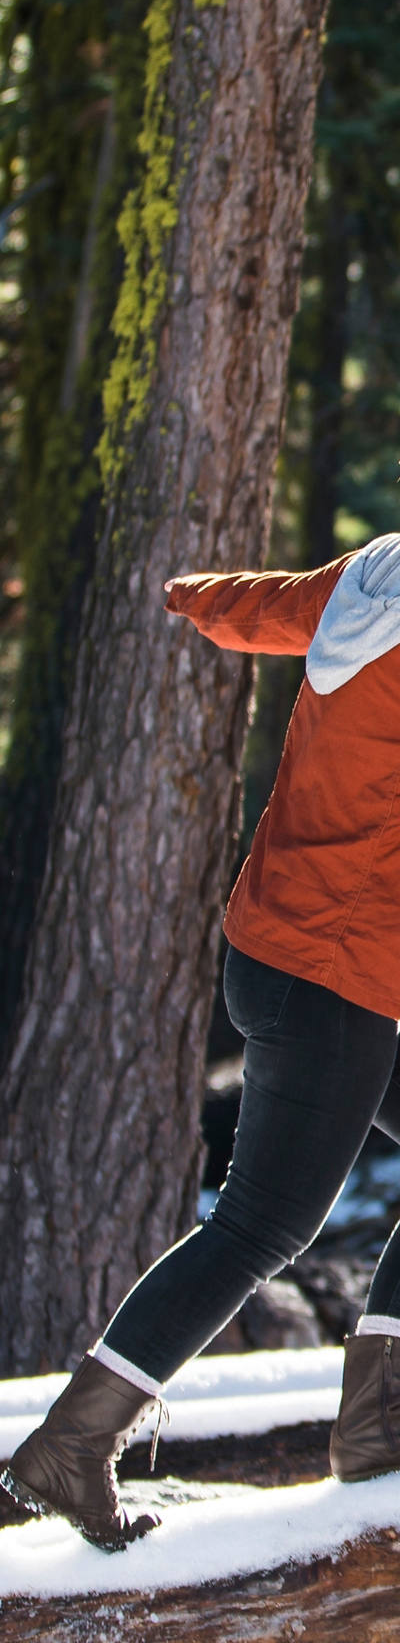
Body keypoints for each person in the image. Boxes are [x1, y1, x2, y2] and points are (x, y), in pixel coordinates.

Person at [3, 531, 400, 1551]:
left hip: (275, 944)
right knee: (261, 1226)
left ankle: (377, 1422)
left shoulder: (373, 579)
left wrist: (182, 593)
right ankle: (72, 1443)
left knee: (260, 1221)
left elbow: (251, 605)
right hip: (337, 976)